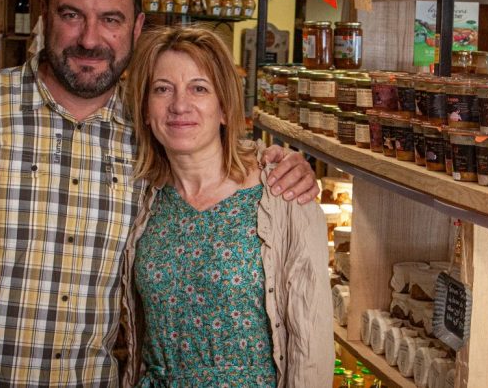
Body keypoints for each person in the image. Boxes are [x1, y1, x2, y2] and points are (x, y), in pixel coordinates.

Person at [0, 0, 318, 387]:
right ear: (45, 15)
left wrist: (279, 162)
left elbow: (211, 154)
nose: (90, 39)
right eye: (72, 15)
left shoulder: (149, 127)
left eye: (111, 19)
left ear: (136, 26)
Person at [119, 26, 332, 387]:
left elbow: (311, 344)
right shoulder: (140, 199)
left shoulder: (281, 193)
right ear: (144, 109)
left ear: (224, 108)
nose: (179, 105)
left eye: (199, 88)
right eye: (162, 89)